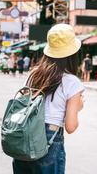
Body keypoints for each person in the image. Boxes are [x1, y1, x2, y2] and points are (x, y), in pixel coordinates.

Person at [12, 24, 84, 174]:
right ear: (72, 54)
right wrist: (78, 105)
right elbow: (71, 126)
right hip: (49, 140)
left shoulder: (34, 74)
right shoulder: (71, 82)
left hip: (25, 136)